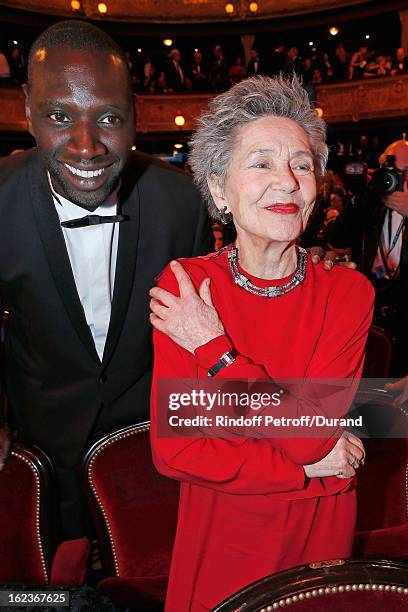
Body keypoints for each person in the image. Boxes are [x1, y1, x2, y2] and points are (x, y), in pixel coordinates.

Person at [150, 75, 373, 611]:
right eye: (262, 163)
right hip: (224, 531)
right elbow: (177, 450)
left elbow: (313, 435)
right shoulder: (183, 285)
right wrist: (301, 467)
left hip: (318, 529)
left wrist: (214, 350)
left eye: (302, 164)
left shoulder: (347, 291)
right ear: (219, 188)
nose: (288, 182)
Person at [0, 20, 211, 539]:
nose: (86, 146)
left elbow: (200, 330)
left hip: (151, 447)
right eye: (58, 116)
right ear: (27, 108)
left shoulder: (182, 202)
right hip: (39, 445)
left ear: (136, 112)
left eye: (109, 118)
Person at [330, 139, 408, 376]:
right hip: (369, 312)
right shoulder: (370, 204)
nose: (400, 180)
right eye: (395, 172)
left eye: (407, 172)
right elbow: (338, 239)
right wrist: (358, 197)